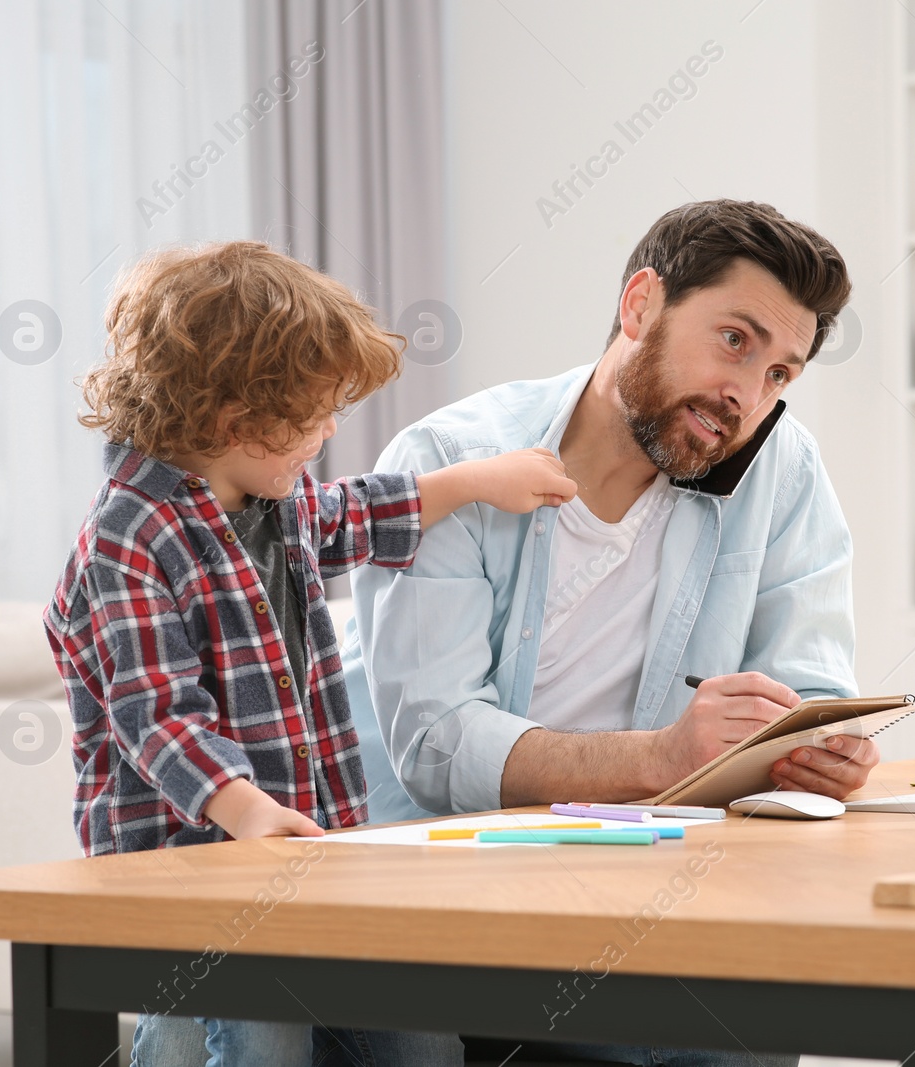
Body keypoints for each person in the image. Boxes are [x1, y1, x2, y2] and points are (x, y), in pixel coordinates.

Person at [343, 200, 873, 1066]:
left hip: (640, 882)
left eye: (781, 372)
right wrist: (664, 759)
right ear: (639, 306)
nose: (749, 396)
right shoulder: (449, 461)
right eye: (734, 340)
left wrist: (817, 744)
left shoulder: (782, 468)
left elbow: (808, 683)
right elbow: (437, 748)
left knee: (755, 1031)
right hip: (436, 886)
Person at [44, 241, 575, 1067]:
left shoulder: (272, 499)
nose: (328, 434)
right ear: (230, 417)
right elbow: (156, 717)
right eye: (310, 417)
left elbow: (354, 515)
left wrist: (475, 480)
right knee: (256, 1040)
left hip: (307, 855)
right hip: (189, 871)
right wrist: (245, 807)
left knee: (420, 1041)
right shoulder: (127, 538)